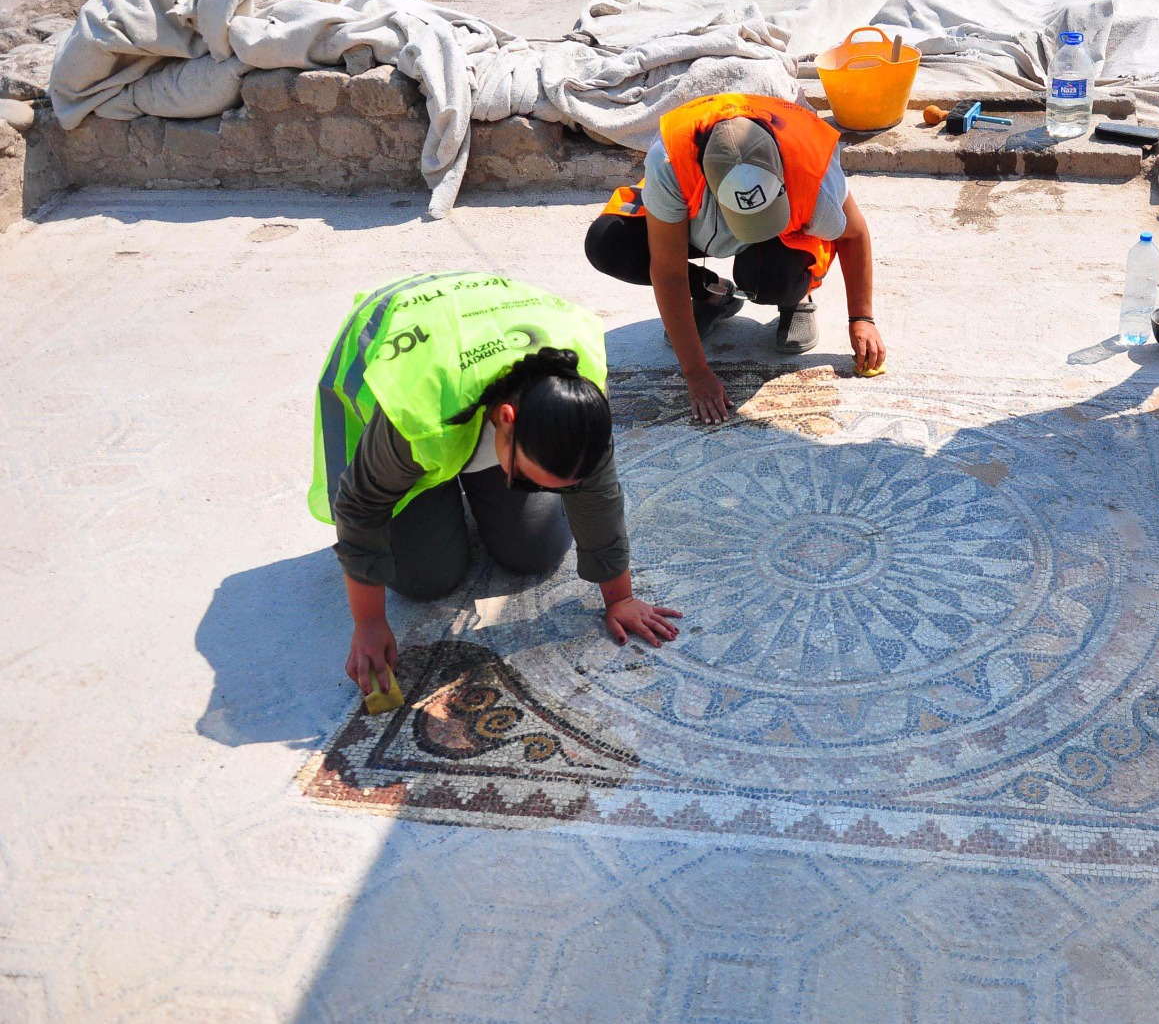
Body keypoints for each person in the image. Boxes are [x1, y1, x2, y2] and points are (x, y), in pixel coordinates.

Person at [309, 272, 681, 699]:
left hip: (483, 380)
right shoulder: (419, 412)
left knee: (534, 551)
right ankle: (441, 487)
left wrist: (619, 597)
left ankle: (480, 481)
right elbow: (361, 505)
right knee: (428, 579)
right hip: (410, 354)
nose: (542, 491)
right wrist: (369, 624)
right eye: (528, 479)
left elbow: (597, 490)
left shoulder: (575, 390)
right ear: (506, 419)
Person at [584, 93, 887, 424]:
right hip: (697, 220)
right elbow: (667, 271)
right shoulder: (671, 163)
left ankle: (797, 298)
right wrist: (696, 373)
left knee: (773, 282)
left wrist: (862, 319)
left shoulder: (814, 169)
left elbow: (853, 234)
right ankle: (713, 295)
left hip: (782, 235)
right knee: (609, 243)